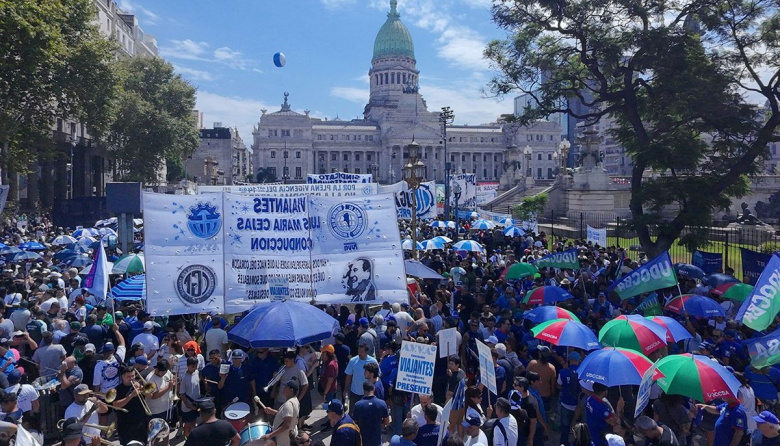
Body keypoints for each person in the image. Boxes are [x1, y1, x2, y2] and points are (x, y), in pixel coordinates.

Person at [111, 365, 148, 445]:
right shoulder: (117, 389)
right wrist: (131, 396)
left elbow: (150, 395)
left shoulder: (138, 385)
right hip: (126, 425)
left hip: (140, 422)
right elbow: (116, 405)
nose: (131, 378)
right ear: (122, 377)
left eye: (133, 376)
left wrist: (142, 388)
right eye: (128, 376)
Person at [262, 379, 301, 446]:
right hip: (287, 437)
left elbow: (286, 425)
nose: (283, 388)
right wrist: (272, 411)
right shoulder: (295, 400)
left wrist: (270, 435)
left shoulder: (289, 404)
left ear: (291, 391)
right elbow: (285, 415)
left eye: (286, 387)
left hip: (284, 440)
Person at [344, 342, 378, 415]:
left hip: (368, 394)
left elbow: (377, 376)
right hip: (355, 392)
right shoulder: (353, 361)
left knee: (366, 414)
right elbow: (348, 376)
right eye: (358, 351)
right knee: (353, 413)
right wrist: (345, 390)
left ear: (366, 352)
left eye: (361, 352)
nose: (359, 353)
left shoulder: (373, 361)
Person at [352, 381, 389, 446]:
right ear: (374, 389)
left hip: (362, 441)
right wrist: (380, 423)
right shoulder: (382, 404)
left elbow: (354, 422)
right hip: (376, 440)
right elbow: (387, 422)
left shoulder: (358, 405)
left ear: (363, 390)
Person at [558, 351, 582, 446]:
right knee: (580, 428)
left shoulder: (563, 372)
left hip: (566, 404)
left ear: (570, 360)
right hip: (579, 405)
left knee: (565, 427)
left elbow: (559, 386)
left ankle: (563, 443)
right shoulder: (583, 372)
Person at [179, 356, 201, 439]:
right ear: (187, 366)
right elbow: (182, 394)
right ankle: (186, 438)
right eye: (192, 367)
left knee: (194, 422)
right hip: (187, 405)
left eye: (195, 366)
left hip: (196, 404)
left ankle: (192, 438)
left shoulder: (197, 372)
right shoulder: (184, 377)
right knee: (187, 424)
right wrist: (188, 405)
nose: (194, 368)